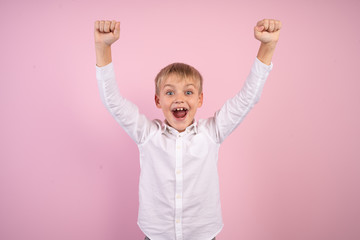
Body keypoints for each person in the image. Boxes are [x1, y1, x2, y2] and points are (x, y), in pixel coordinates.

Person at [95, 19, 281, 240]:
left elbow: (247, 98)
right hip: (156, 236)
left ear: (200, 99)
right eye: (170, 92)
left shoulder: (212, 133)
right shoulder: (147, 135)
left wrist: (267, 47)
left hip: (203, 235)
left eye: (189, 92)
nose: (179, 98)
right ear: (157, 100)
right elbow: (113, 101)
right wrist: (103, 47)